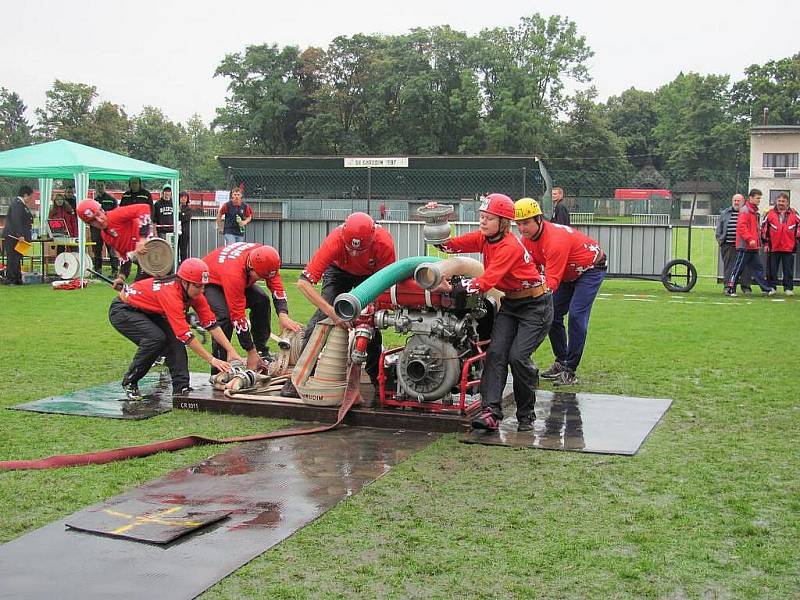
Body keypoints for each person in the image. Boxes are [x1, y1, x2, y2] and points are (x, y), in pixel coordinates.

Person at [434, 194, 553, 432]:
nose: (482, 222)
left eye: (489, 218)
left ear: (503, 222)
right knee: (496, 353)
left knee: (517, 357)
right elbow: (452, 245)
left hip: (535, 305)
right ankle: (491, 412)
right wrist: (436, 222)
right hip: (511, 304)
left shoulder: (508, 246)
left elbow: (487, 281)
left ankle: (526, 415)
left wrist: (455, 288)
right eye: (481, 217)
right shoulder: (485, 239)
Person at [281, 212, 396, 398]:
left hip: (371, 277)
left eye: (360, 250)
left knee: (370, 324)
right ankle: (298, 379)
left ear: (373, 238)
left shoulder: (384, 243)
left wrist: (373, 309)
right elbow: (303, 283)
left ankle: (379, 381)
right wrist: (331, 312)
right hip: (337, 271)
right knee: (319, 322)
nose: (355, 253)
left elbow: (388, 281)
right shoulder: (334, 239)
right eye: (351, 249)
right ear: (343, 236)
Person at [109, 258, 242, 400]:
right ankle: (130, 382)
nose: (202, 290)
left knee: (175, 343)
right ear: (184, 282)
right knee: (155, 339)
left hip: (149, 311)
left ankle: (181, 388)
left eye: (204, 286)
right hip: (124, 310)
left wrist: (231, 350)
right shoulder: (170, 293)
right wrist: (212, 360)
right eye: (198, 286)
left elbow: (211, 324)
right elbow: (186, 335)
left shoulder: (195, 293)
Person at [515, 197, 606, 386]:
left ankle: (570, 369)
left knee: (576, 315)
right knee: (553, 314)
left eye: (526, 223)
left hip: (590, 269)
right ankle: (561, 360)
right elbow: (531, 269)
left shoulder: (554, 240)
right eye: (518, 224)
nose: (522, 228)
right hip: (568, 273)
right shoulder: (527, 240)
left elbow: (551, 283)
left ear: (539, 219)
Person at [203, 243, 303, 372]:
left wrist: (283, 314)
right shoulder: (234, 274)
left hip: (233, 274)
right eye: (261, 276)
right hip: (211, 282)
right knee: (225, 317)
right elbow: (238, 316)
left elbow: (277, 288)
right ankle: (219, 366)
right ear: (250, 267)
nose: (263, 279)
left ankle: (261, 351)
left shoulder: (267, 260)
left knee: (262, 300)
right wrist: (250, 351)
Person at [76, 198, 153, 288]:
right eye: (93, 220)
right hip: (144, 262)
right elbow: (125, 256)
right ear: (89, 224)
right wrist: (121, 277)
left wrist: (142, 239)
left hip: (156, 255)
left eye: (98, 215)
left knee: (137, 291)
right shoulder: (105, 236)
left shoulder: (116, 215)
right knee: (135, 294)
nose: (99, 221)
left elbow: (144, 208)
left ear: (102, 210)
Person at [726, 188, 776, 297]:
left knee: (758, 268)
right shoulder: (745, 210)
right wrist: (750, 239)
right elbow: (741, 227)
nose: (759, 200)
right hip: (745, 246)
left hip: (752, 247)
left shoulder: (753, 211)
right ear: (751, 198)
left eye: (759, 198)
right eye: (757, 198)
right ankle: (730, 288)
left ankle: (766, 289)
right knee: (738, 268)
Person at [761, 192, 798, 296]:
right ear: (776, 201)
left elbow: (799, 227)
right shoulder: (770, 213)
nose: (781, 203)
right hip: (773, 246)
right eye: (779, 201)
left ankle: (788, 288)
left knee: (788, 269)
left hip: (789, 247)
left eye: (783, 201)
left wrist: (795, 240)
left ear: (787, 203)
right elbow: (764, 229)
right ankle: (772, 287)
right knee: (772, 269)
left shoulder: (794, 214)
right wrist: (766, 243)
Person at [715, 194, 752, 295]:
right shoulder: (725, 212)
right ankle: (728, 287)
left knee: (745, 268)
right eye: (734, 200)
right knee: (729, 267)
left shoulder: (747, 212)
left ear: (743, 201)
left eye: (738, 201)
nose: (736, 202)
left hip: (743, 246)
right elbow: (719, 228)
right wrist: (720, 240)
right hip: (728, 245)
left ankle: (746, 288)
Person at [2, 185, 34, 285]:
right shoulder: (17, 204)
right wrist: (20, 234)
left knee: (17, 258)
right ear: (25, 195)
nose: (31, 199)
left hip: (17, 236)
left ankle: (17, 278)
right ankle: (10, 279)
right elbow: (17, 220)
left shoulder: (22, 205)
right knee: (12, 258)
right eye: (30, 196)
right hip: (13, 236)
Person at [90, 181, 120, 276]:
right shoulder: (94, 201)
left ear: (105, 187)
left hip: (108, 228)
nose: (99, 188)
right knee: (97, 250)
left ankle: (115, 271)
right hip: (96, 229)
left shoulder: (111, 200)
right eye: (98, 186)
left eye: (101, 186)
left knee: (111, 249)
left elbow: (116, 214)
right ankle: (98, 270)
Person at [178, 191, 193, 263]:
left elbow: (185, 218)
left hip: (184, 232)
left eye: (185, 197)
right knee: (174, 250)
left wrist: (180, 213)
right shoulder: (175, 207)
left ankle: (183, 266)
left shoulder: (189, 209)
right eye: (181, 197)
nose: (183, 199)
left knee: (183, 251)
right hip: (175, 231)